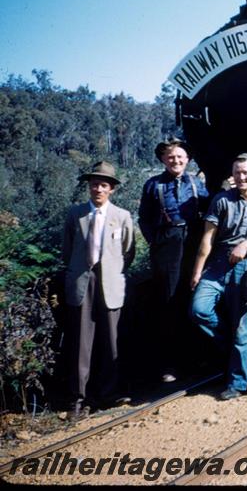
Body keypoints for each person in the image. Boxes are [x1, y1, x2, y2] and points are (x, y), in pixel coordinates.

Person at [189, 153, 247, 400]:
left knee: (242, 328)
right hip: (218, 264)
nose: (241, 177)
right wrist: (198, 271)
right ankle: (229, 347)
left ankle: (237, 383)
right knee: (199, 309)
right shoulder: (221, 201)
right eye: (237, 172)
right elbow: (207, 239)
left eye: (245, 172)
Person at [62, 161, 135, 418]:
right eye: (94, 184)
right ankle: (78, 399)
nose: (98, 189)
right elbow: (68, 250)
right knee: (81, 344)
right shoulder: (75, 214)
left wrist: (113, 271)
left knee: (111, 342)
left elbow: (128, 251)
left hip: (111, 284)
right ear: (88, 187)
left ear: (111, 189)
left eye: (103, 185)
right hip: (82, 282)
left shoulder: (122, 217)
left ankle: (107, 394)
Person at [139, 138, 209, 383]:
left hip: (192, 242)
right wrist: (156, 244)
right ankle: (169, 364)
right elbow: (144, 219)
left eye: (180, 157)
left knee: (193, 296)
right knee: (168, 303)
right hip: (166, 244)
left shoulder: (196, 183)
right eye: (171, 157)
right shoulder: (152, 185)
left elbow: (210, 209)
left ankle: (198, 359)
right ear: (163, 160)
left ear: (187, 159)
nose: (176, 161)